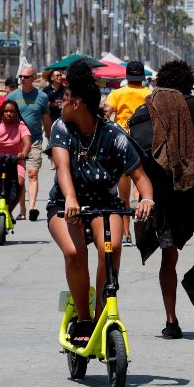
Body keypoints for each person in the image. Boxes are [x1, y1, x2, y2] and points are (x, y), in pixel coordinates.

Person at [46, 59, 154, 346]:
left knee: (113, 248)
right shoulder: (61, 128)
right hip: (65, 204)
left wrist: (147, 198)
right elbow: (62, 167)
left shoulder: (114, 135)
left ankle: (100, 316)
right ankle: (83, 317)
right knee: (74, 251)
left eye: (65, 100)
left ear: (78, 103)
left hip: (105, 204)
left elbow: (140, 177)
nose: (60, 104)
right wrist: (69, 197)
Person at [129, 59, 194, 339]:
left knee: (168, 255)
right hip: (191, 182)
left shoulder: (146, 107)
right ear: (188, 83)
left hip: (157, 191)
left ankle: (171, 321)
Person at [103, 61, 152, 248]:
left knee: (123, 194)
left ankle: (126, 233)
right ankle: (144, 229)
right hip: (146, 144)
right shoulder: (150, 94)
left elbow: (105, 115)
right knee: (144, 191)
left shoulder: (117, 94)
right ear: (142, 77)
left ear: (127, 76)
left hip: (121, 145)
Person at [8, 65, 52, 222]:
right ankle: (22, 209)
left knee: (32, 173)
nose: (22, 79)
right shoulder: (12, 96)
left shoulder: (42, 96)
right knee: (18, 177)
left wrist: (51, 140)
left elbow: (46, 119)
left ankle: (32, 207)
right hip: (16, 141)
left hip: (34, 140)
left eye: (26, 77)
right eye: (20, 77)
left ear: (34, 78)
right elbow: (6, 118)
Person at [0, 99, 31, 216]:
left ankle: (8, 212)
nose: (9, 114)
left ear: (16, 113)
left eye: (12, 111)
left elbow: (27, 142)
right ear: (2, 112)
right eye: (6, 111)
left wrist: (23, 153)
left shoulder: (21, 126)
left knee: (20, 183)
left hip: (16, 159)